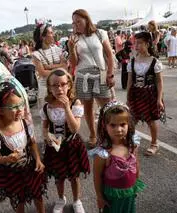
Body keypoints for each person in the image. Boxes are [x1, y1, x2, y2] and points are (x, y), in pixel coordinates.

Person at [0, 81, 46, 213]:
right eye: (13, 107)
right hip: (12, 173)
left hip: (30, 167)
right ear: (0, 110)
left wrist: (38, 159)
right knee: (19, 201)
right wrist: (7, 158)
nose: (20, 110)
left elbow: (32, 143)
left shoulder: (25, 123)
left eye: (21, 104)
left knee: (38, 195)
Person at [40, 69, 90, 213]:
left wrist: (67, 107)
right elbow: (44, 128)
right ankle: (61, 198)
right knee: (59, 176)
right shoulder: (46, 106)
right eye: (55, 85)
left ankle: (76, 200)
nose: (59, 89)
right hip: (55, 146)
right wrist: (47, 137)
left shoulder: (75, 103)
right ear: (49, 87)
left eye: (63, 84)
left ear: (69, 85)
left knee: (74, 176)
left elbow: (75, 129)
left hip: (72, 145)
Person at [68, 9, 115, 147]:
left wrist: (110, 74)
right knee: (88, 108)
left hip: (100, 72)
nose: (76, 24)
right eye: (74, 22)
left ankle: (108, 134)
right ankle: (93, 135)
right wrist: (71, 48)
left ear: (86, 19)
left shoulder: (100, 33)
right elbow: (74, 63)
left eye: (78, 21)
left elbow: (109, 55)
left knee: (107, 107)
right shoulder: (74, 38)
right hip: (83, 75)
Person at [90, 101, 145, 213]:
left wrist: (135, 185)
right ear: (104, 126)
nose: (118, 129)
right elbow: (97, 177)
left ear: (128, 124)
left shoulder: (132, 145)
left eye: (122, 125)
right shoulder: (103, 153)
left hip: (129, 193)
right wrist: (100, 197)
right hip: (112, 198)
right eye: (113, 125)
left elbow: (136, 165)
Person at [127, 32, 164, 156]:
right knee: (132, 119)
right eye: (135, 43)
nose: (136, 45)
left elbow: (159, 82)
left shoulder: (154, 61)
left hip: (150, 94)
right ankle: (133, 141)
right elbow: (130, 80)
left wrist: (159, 99)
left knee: (151, 120)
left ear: (147, 44)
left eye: (140, 43)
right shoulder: (132, 61)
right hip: (136, 93)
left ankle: (154, 143)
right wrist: (128, 97)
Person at [32, 20, 68, 109]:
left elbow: (65, 66)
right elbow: (42, 73)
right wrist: (59, 67)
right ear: (43, 37)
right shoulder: (36, 54)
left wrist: (48, 67)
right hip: (45, 89)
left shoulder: (57, 49)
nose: (53, 35)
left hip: (60, 88)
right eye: (51, 33)